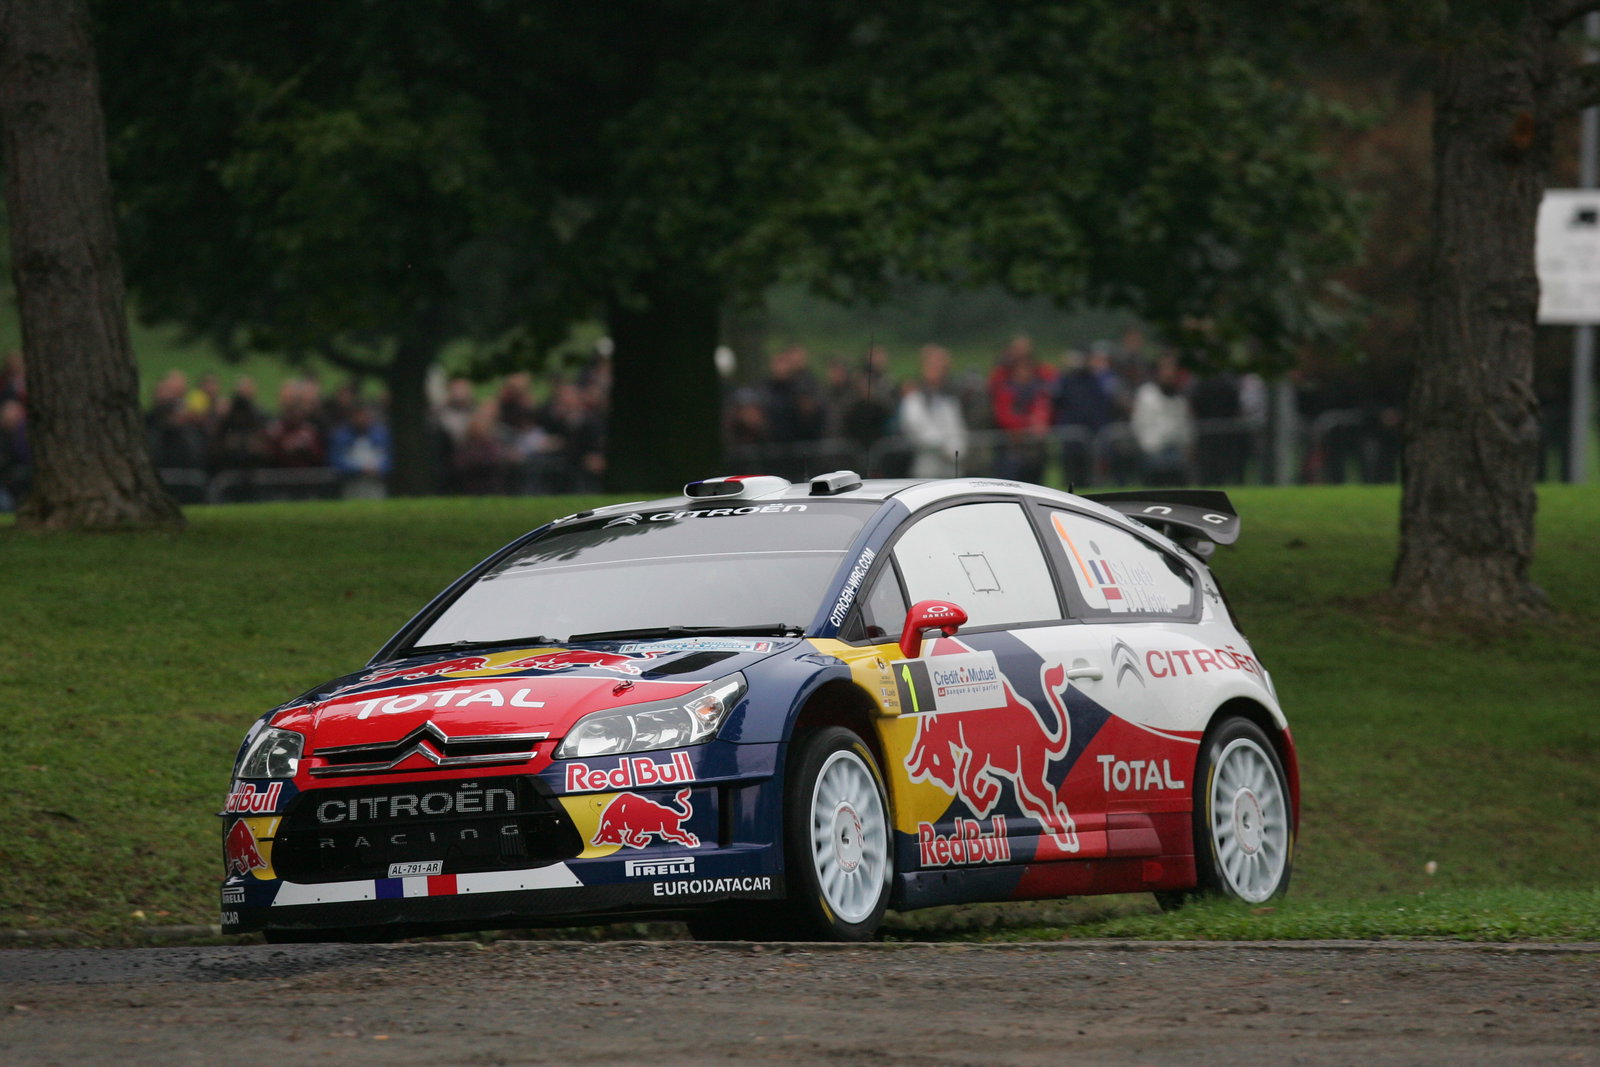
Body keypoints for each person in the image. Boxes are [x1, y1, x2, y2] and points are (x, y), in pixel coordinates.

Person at [899, 345, 968, 478]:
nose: (939, 370)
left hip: (953, 467)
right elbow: (917, 430)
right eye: (934, 365)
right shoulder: (913, 398)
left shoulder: (949, 399)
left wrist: (957, 452)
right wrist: (946, 449)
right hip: (926, 467)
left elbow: (959, 429)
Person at [1130, 354, 1195, 485]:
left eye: (1172, 369)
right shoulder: (1147, 395)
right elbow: (1139, 424)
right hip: (1153, 451)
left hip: (1176, 452)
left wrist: (1186, 446)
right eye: (1166, 369)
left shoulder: (1179, 399)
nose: (1169, 374)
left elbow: (1184, 426)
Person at [329, 403, 392, 498]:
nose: (362, 419)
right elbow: (335, 461)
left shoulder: (381, 434)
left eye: (365, 416)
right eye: (359, 416)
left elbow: (389, 458)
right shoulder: (340, 436)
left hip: (376, 482)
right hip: (351, 483)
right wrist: (360, 469)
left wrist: (379, 469)